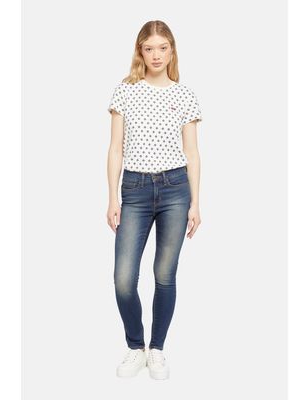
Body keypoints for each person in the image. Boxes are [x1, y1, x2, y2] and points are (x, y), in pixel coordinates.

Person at [106, 20, 203, 380]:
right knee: (123, 279)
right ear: (140, 51)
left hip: (176, 190)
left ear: (172, 50)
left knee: (164, 274)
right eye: (149, 48)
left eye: (163, 48)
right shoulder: (125, 91)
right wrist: (112, 197)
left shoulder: (184, 95)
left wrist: (196, 202)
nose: (157, 55)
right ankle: (136, 347)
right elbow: (115, 148)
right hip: (134, 189)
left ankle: (157, 348)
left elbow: (192, 153)